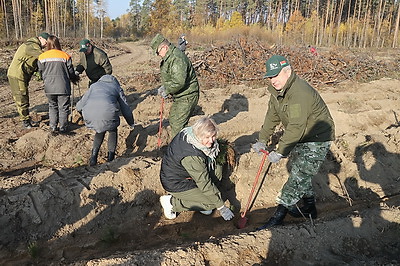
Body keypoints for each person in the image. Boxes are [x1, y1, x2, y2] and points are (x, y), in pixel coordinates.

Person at [252, 55, 335, 230]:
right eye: (270, 76)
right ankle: (310, 207)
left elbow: (296, 126)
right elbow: (271, 117)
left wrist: (281, 151)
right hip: (302, 136)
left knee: (298, 176)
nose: (273, 80)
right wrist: (262, 140)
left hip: (317, 138)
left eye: (276, 75)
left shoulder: (299, 92)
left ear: (288, 72)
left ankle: (280, 214)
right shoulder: (277, 93)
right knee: (300, 171)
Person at [159, 116, 234, 221]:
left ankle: (203, 201)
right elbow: (204, 183)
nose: (211, 141)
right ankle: (172, 202)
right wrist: (221, 207)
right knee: (212, 203)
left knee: (217, 171)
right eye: (207, 138)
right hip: (175, 182)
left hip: (185, 173)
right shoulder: (192, 156)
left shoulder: (190, 132)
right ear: (199, 135)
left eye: (213, 136)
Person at [76, 75, 134, 166]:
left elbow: (80, 105)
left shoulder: (94, 86)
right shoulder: (116, 87)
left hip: (90, 112)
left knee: (100, 130)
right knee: (112, 130)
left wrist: (81, 112)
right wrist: (131, 122)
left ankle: (93, 157)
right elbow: (125, 107)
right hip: (108, 112)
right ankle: (110, 158)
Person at [150, 33, 199, 139]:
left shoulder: (176, 58)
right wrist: (165, 86)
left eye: (158, 52)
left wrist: (167, 89)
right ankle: (185, 143)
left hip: (188, 95)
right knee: (174, 119)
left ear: (164, 47)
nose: (158, 55)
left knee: (177, 124)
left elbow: (179, 82)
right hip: (181, 95)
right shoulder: (170, 57)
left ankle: (179, 150)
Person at [37, 35, 79, 134]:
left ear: (48, 44)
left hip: (49, 87)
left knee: (52, 106)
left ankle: (53, 127)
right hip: (63, 86)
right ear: (58, 44)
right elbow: (71, 72)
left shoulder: (42, 57)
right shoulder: (65, 56)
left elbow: (40, 71)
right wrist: (75, 78)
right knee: (63, 107)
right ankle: (63, 128)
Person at [7, 32, 50, 129]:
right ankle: (25, 121)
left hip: (22, 74)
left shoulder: (33, 45)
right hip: (17, 74)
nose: (46, 44)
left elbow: (33, 62)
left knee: (24, 96)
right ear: (40, 38)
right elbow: (43, 56)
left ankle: (26, 118)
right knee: (21, 97)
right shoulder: (31, 46)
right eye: (46, 42)